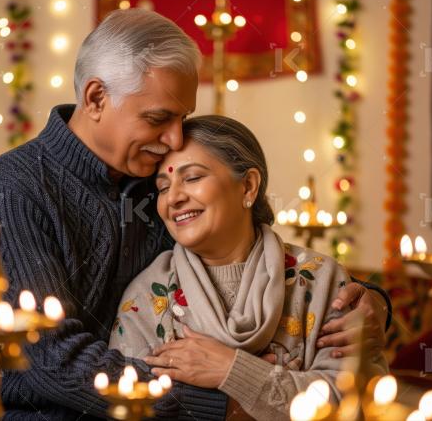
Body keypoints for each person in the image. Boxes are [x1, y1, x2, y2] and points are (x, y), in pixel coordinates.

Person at [0, 9, 391, 420]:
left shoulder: (155, 185)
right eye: (160, 118)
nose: (176, 138)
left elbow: (244, 260)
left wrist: (368, 301)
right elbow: (48, 358)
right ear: (97, 97)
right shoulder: (13, 188)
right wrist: (224, 403)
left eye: (183, 118)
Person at [108, 115, 388, 420]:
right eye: (163, 187)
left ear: (248, 186)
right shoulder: (148, 295)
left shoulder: (320, 281)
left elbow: (353, 403)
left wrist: (232, 369)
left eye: (192, 178)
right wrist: (275, 388)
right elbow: (130, 408)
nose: (173, 198)